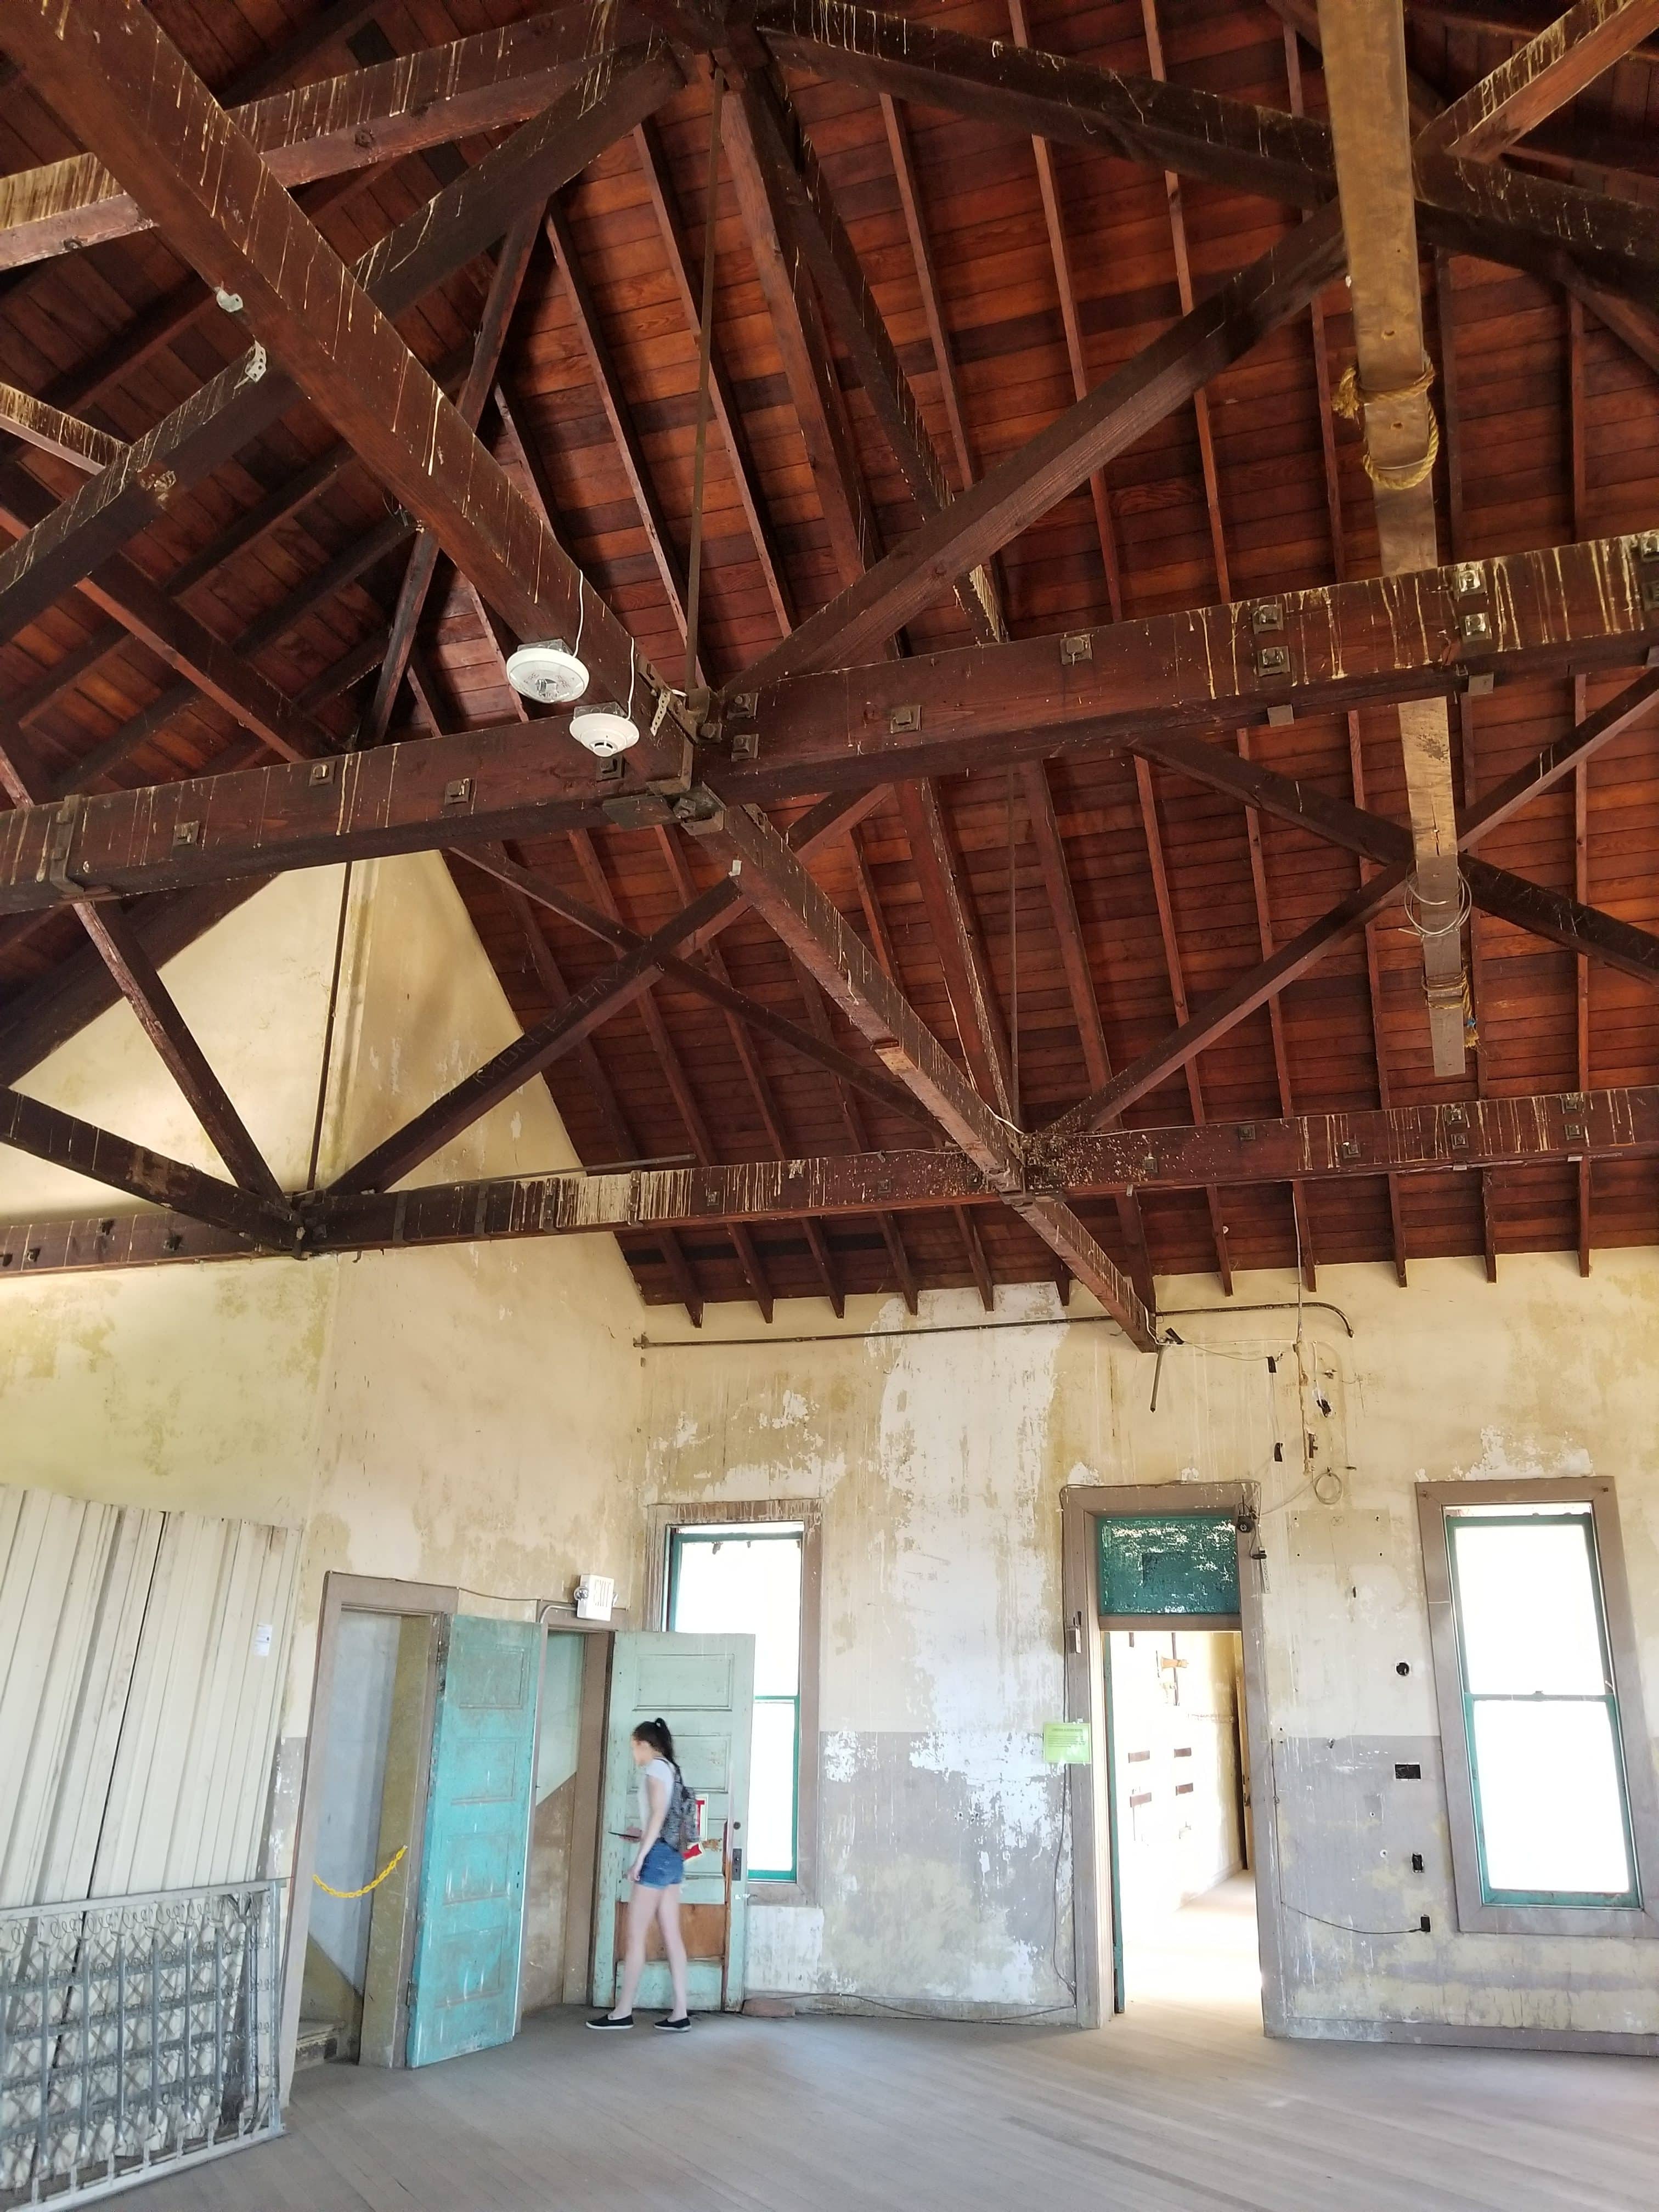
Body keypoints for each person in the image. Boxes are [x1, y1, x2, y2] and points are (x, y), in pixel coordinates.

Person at [588, 1718, 692, 2032]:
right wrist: (640, 1834)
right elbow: (663, 1819)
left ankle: (622, 2012)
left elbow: (659, 1815)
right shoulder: (672, 1769)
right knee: (672, 1936)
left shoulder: (653, 1770)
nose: (634, 1754)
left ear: (645, 1745)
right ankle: (681, 2013)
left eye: (635, 1747)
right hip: (673, 1857)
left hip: (657, 1857)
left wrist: (639, 1861)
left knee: (635, 1936)